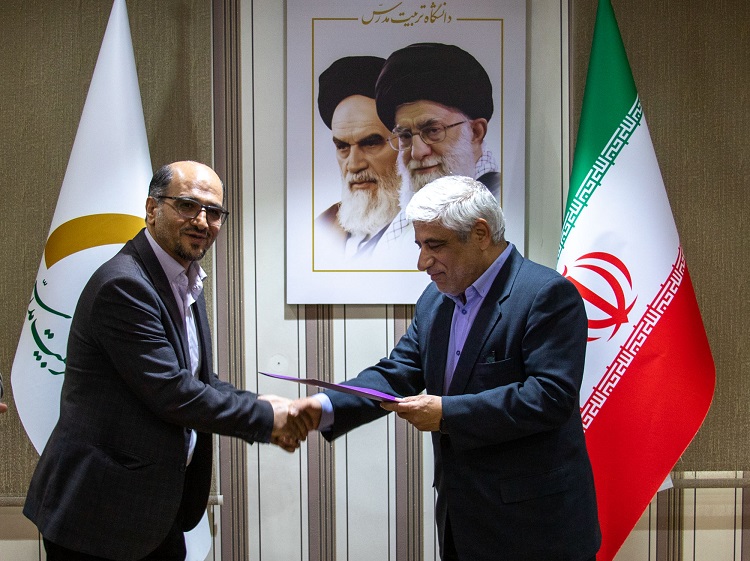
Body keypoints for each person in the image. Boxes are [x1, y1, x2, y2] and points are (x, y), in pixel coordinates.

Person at [294, 176, 601, 561]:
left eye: (435, 245)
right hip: (462, 522)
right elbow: (397, 372)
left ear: (480, 234)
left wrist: (446, 413)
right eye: (420, 246)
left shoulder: (545, 294)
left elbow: (549, 398)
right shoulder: (435, 300)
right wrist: (323, 407)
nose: (422, 262)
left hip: (537, 529)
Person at [23, 161, 307, 561]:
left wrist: (262, 403)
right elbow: (172, 392)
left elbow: (197, 379)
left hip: (153, 508)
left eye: (214, 212)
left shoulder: (185, 278)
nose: (202, 221)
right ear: (152, 208)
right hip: (98, 516)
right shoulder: (125, 284)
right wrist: (266, 418)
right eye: (188, 205)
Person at [370, 43, 501, 262]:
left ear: (475, 132)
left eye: (432, 131)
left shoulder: (495, 202)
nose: (417, 152)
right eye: (405, 136)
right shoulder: (387, 233)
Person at [314, 56, 403, 267]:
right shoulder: (324, 226)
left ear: (405, 144)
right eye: (343, 147)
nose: (354, 165)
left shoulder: (436, 225)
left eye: (370, 143)